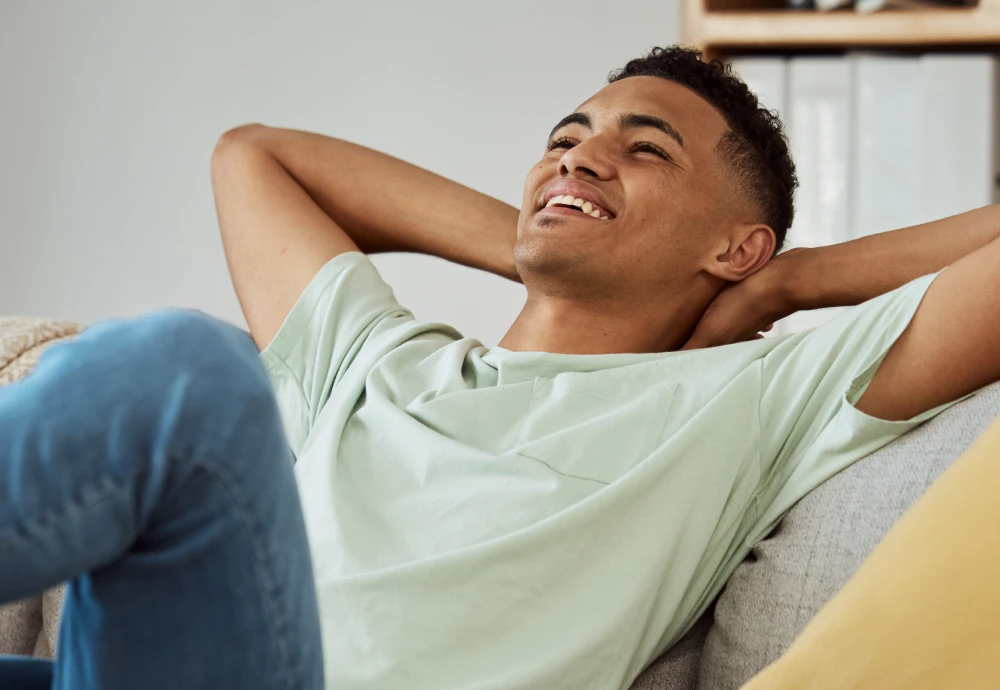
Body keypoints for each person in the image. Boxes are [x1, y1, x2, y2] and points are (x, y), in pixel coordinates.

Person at [0, 45, 998, 690]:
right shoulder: (373, 357)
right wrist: (558, 228)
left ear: (738, 244)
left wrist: (789, 283)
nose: (576, 156)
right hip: (178, 662)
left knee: (196, 362)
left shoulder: (750, 399)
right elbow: (254, 155)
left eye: (642, 149)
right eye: (563, 140)